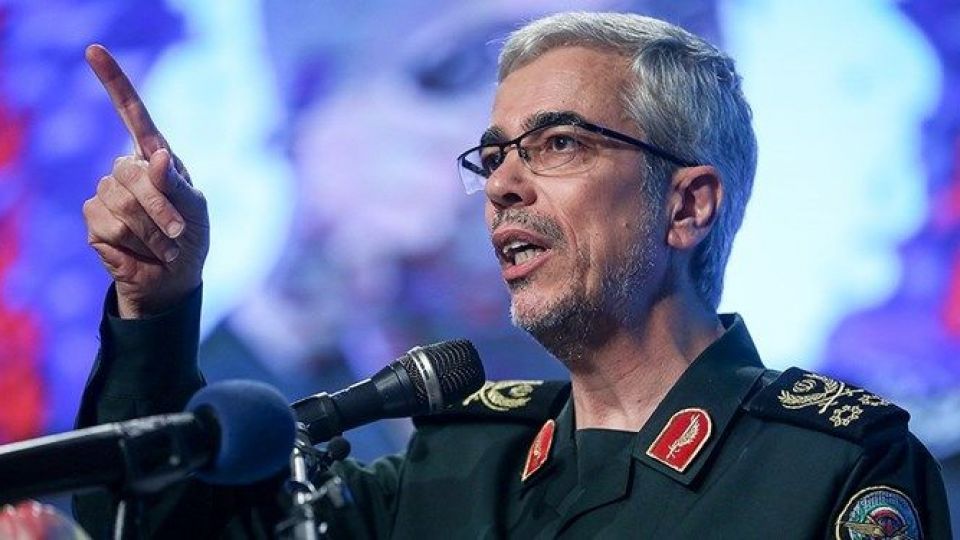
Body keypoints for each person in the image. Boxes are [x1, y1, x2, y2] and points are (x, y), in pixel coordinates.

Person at [74, 12, 952, 539]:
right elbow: (157, 525)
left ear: (687, 205)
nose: (502, 186)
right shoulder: (456, 462)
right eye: (493, 156)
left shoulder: (830, 466)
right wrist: (158, 306)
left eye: (558, 143)